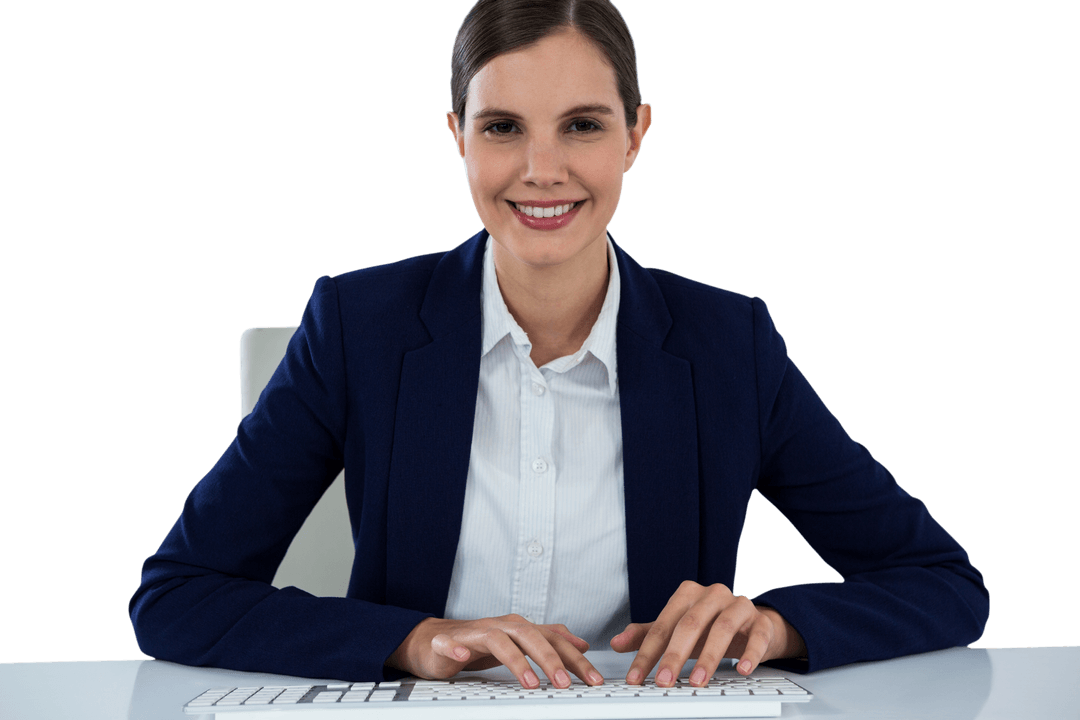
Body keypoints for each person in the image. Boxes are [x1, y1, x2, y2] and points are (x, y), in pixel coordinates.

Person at [129, 0, 988, 690]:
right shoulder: (360, 326)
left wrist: (776, 625)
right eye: (503, 127)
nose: (542, 169)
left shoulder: (730, 345)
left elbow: (942, 582)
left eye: (582, 125)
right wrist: (413, 642)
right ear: (458, 136)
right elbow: (177, 595)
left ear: (636, 136)